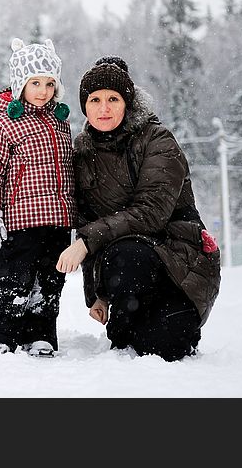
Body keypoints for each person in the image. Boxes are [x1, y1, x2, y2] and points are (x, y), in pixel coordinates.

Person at [56, 56, 221, 361]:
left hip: (179, 266)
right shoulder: (83, 155)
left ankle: (156, 326)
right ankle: (124, 331)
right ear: (84, 106)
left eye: (113, 99)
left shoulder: (157, 141)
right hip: (126, 273)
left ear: (127, 103)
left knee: (169, 346)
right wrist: (97, 294)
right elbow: (87, 220)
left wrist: (86, 243)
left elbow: (151, 212)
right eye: (95, 100)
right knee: (135, 343)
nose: (103, 108)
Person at [0, 38, 77, 357]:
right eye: (35, 82)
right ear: (20, 83)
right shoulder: (3, 122)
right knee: (13, 279)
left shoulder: (61, 122)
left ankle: (40, 333)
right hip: (22, 218)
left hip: (59, 219)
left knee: (49, 282)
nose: (43, 91)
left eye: (50, 83)